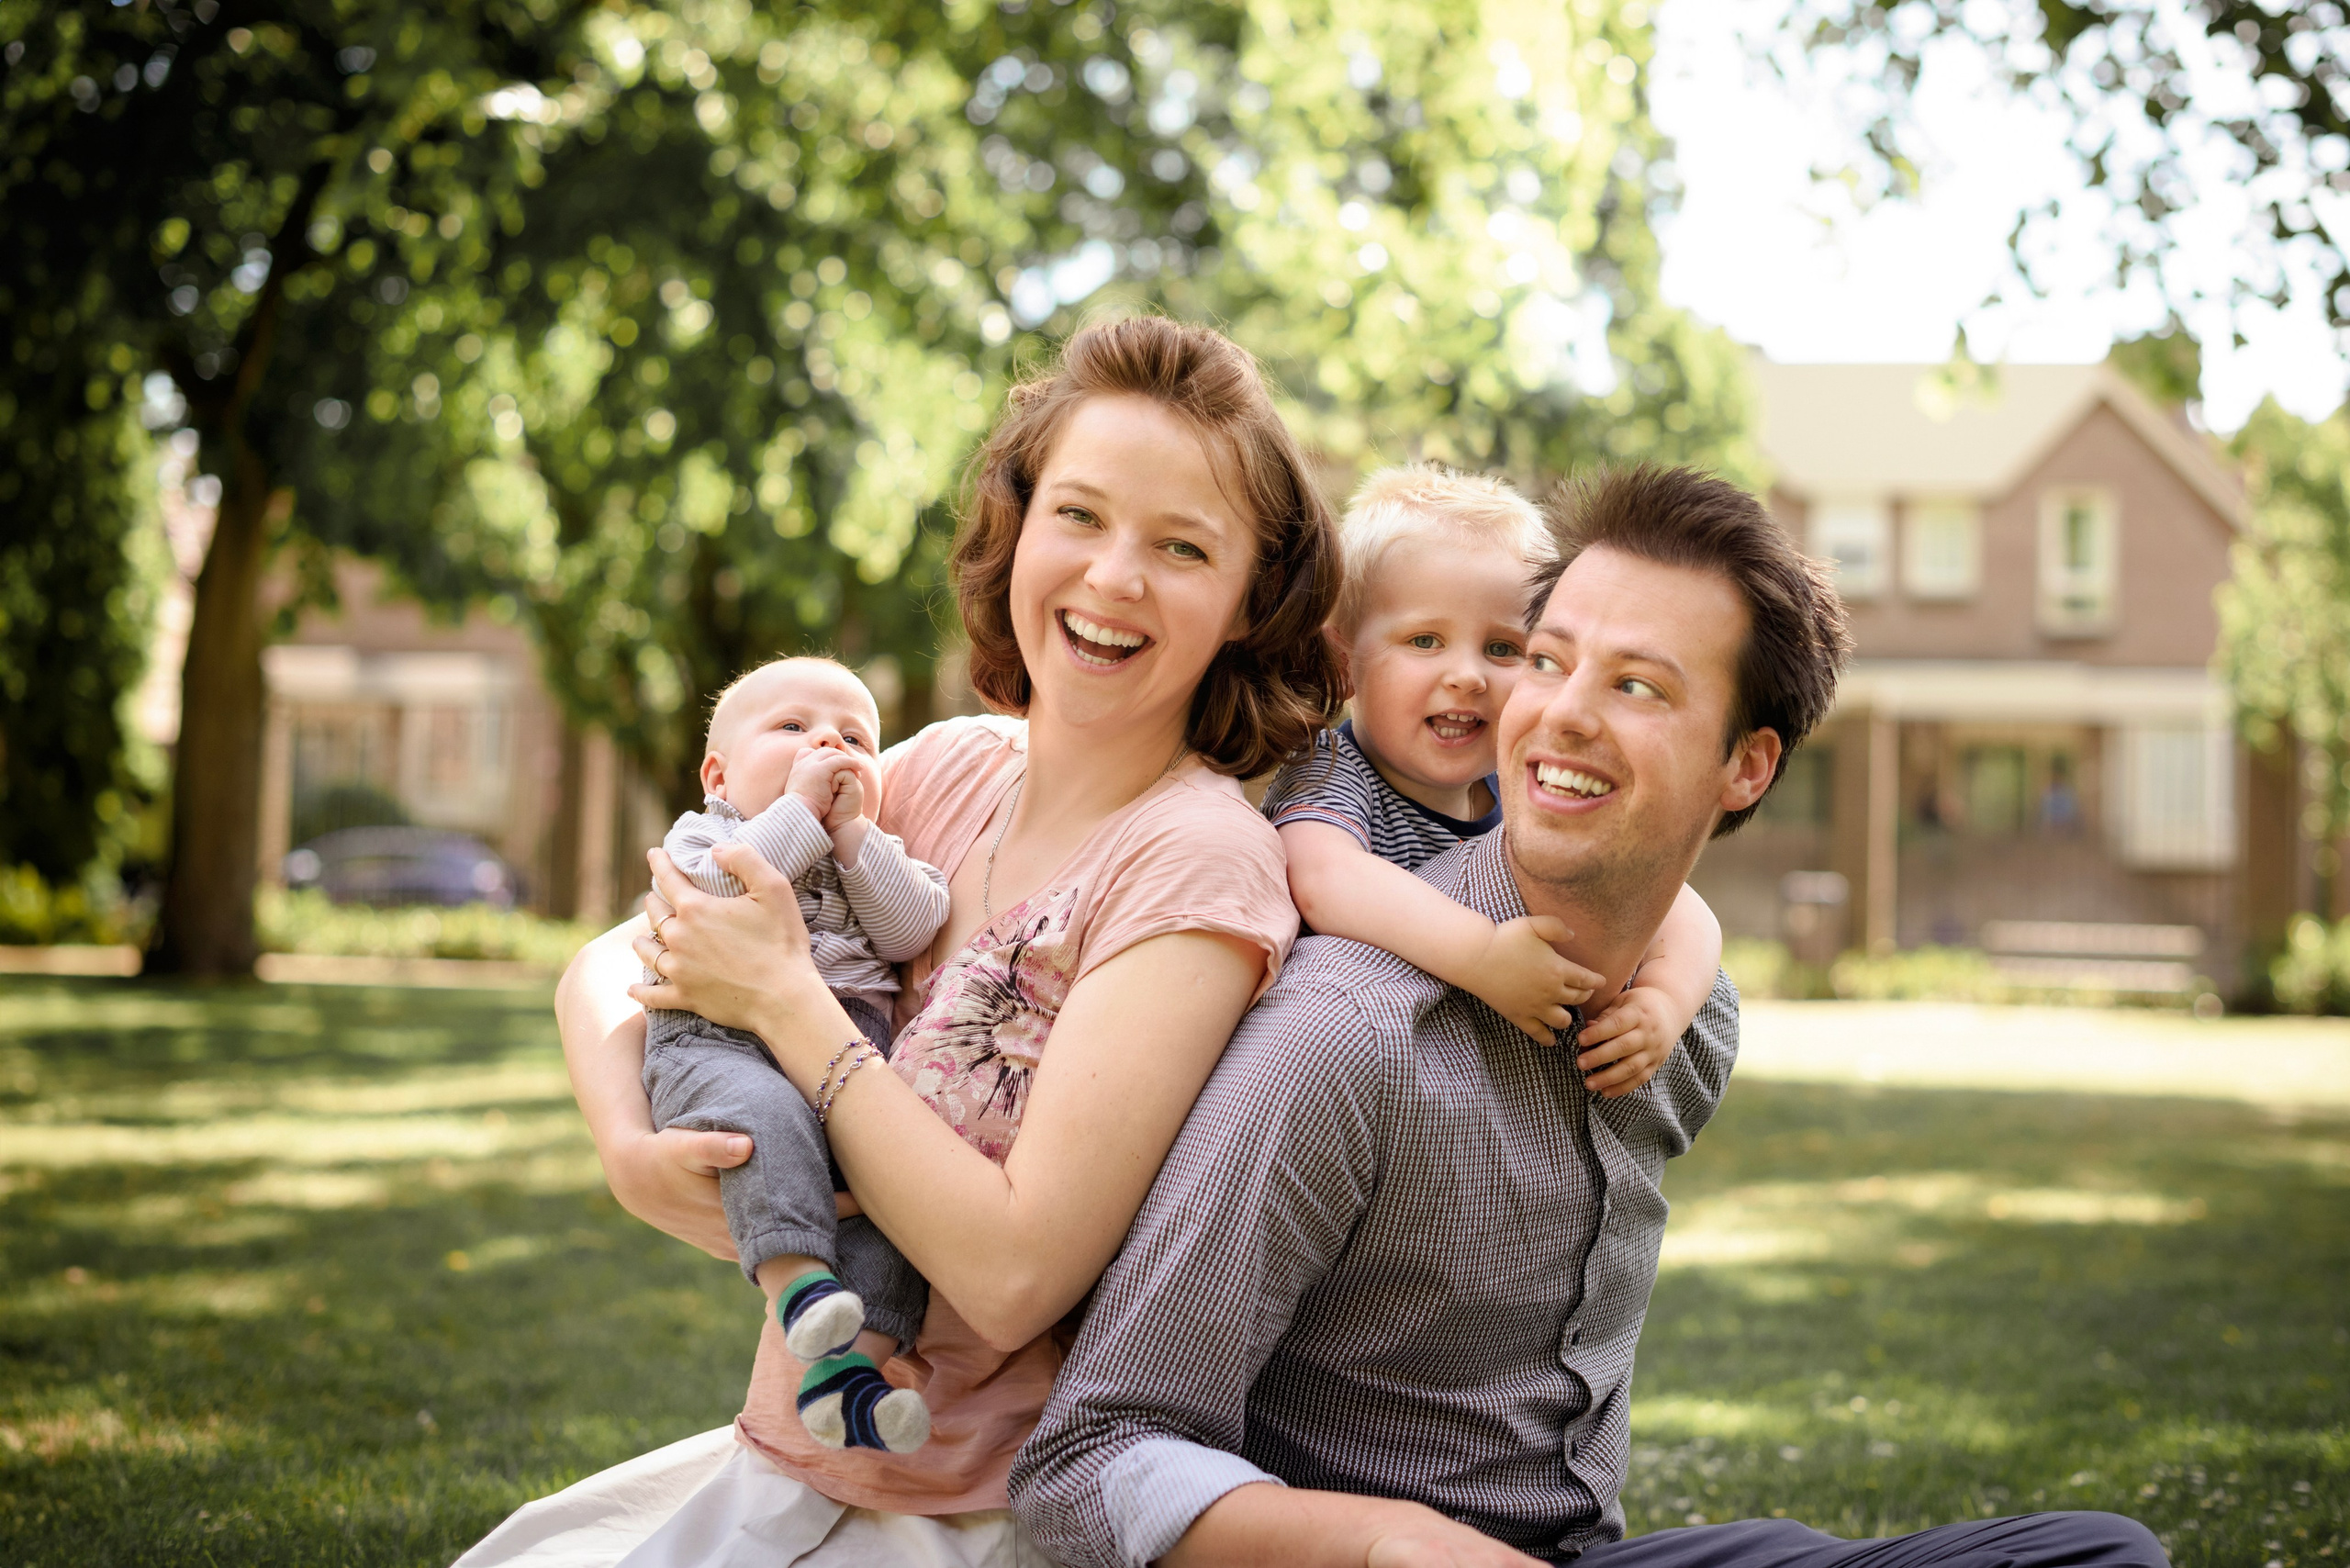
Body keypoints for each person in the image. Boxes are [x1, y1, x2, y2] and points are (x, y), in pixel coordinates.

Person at [1011, 465, 2167, 1568]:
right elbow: (1081, 1468)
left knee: (2101, 1553)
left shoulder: (1687, 1025)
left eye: (1636, 685)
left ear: (1746, 768)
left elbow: (1690, 950)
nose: (1557, 713)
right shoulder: (1343, 1040)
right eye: (1550, 662)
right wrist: (1382, 1540)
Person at [456, 316, 1343, 1567]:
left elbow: (1017, 1270)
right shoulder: (942, 773)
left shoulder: (1195, 863)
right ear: (1020, 529)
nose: (1112, 579)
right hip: (784, 1461)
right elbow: (614, 957)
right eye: (1078, 517)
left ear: (1251, 600)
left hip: (966, 1514)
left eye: (1182, 546)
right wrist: (624, 1141)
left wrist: (783, 1003)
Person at [1261, 463, 1723, 1095]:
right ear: (1344, 665)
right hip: (1340, 1064)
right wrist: (1481, 956)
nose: (1468, 677)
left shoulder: (1518, 790)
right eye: (1425, 640)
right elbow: (1323, 878)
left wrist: (1665, 1004)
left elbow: (1677, 903)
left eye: (1505, 649)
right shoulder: (1333, 772)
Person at [641, 655, 950, 1454]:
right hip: (719, 1044)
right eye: (792, 728)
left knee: (905, 1210)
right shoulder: (708, 834)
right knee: (763, 1120)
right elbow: (713, 893)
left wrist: (852, 834)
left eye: (854, 738)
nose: (828, 745)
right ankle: (800, 1289)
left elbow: (913, 927)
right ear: (719, 772)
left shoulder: (871, 852)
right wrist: (804, 815)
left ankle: (849, 1377)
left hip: (848, 1052)